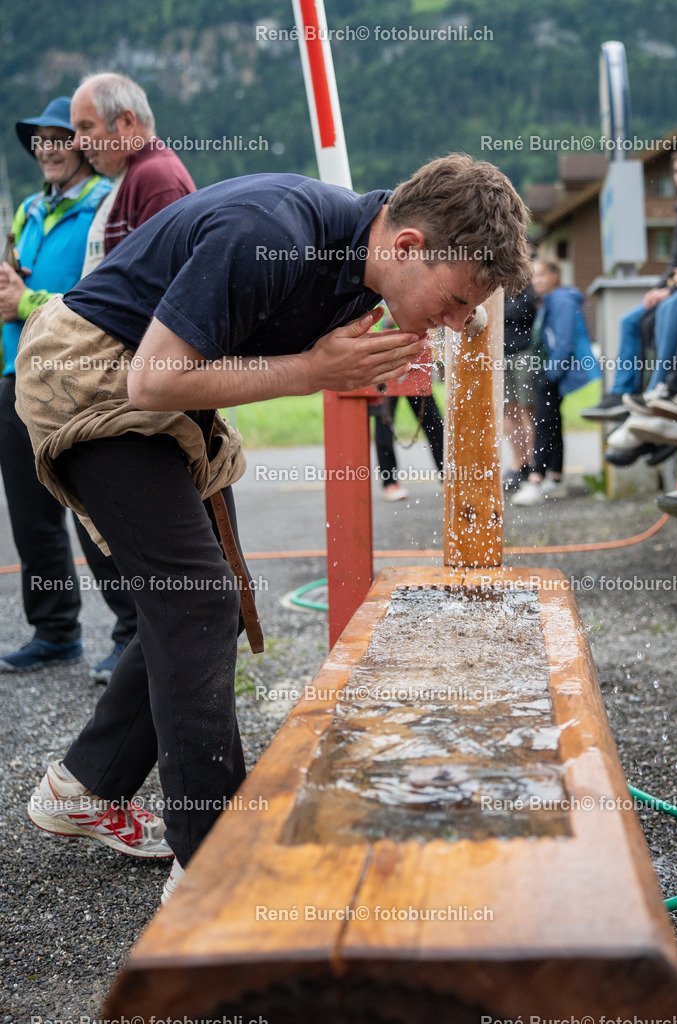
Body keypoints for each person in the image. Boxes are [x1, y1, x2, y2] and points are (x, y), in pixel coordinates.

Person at [15, 154, 531, 899]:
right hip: (87, 373)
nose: (458, 322)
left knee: (205, 603)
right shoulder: (269, 234)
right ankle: (213, 862)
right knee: (196, 599)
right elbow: (151, 380)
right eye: (453, 301)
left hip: (154, 386)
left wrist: (455, 310)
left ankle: (85, 786)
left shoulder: (369, 254)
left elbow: (445, 295)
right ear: (410, 247)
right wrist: (313, 371)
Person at [0, 96, 138, 678]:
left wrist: (22, 300)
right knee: (31, 516)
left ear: (83, 146)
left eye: (60, 137)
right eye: (40, 139)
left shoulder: (103, 205)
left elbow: (99, 295)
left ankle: (131, 632)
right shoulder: (27, 210)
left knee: (96, 511)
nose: (48, 149)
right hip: (14, 376)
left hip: (75, 379)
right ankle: (54, 631)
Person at [582, 151, 677, 423]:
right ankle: (621, 393)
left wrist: (670, 290)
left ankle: (659, 389)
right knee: (630, 319)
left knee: (669, 308)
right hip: (676, 288)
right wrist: (661, 287)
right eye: (675, 171)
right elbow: (675, 264)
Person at [69, 72, 196, 268]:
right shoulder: (131, 174)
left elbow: (155, 285)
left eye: (86, 127)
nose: (77, 143)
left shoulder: (158, 178)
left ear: (127, 122)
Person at [513, 259, 600, 507]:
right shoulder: (550, 300)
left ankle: (536, 480)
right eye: (534, 277)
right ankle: (556, 478)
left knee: (543, 423)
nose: (536, 281)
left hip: (551, 373)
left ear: (555, 275)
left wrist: (550, 375)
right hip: (547, 372)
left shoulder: (561, 300)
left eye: (541, 275)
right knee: (552, 422)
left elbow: (563, 342)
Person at [369, 305, 444, 501]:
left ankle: (448, 476)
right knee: (384, 422)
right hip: (385, 360)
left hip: (414, 362)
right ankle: (389, 482)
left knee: (434, 422)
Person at [502, 282, 537, 491]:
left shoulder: (528, 282)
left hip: (524, 353)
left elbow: (524, 310)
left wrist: (501, 311)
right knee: (509, 411)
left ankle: (532, 462)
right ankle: (519, 462)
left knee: (527, 410)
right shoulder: (497, 281)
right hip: (502, 355)